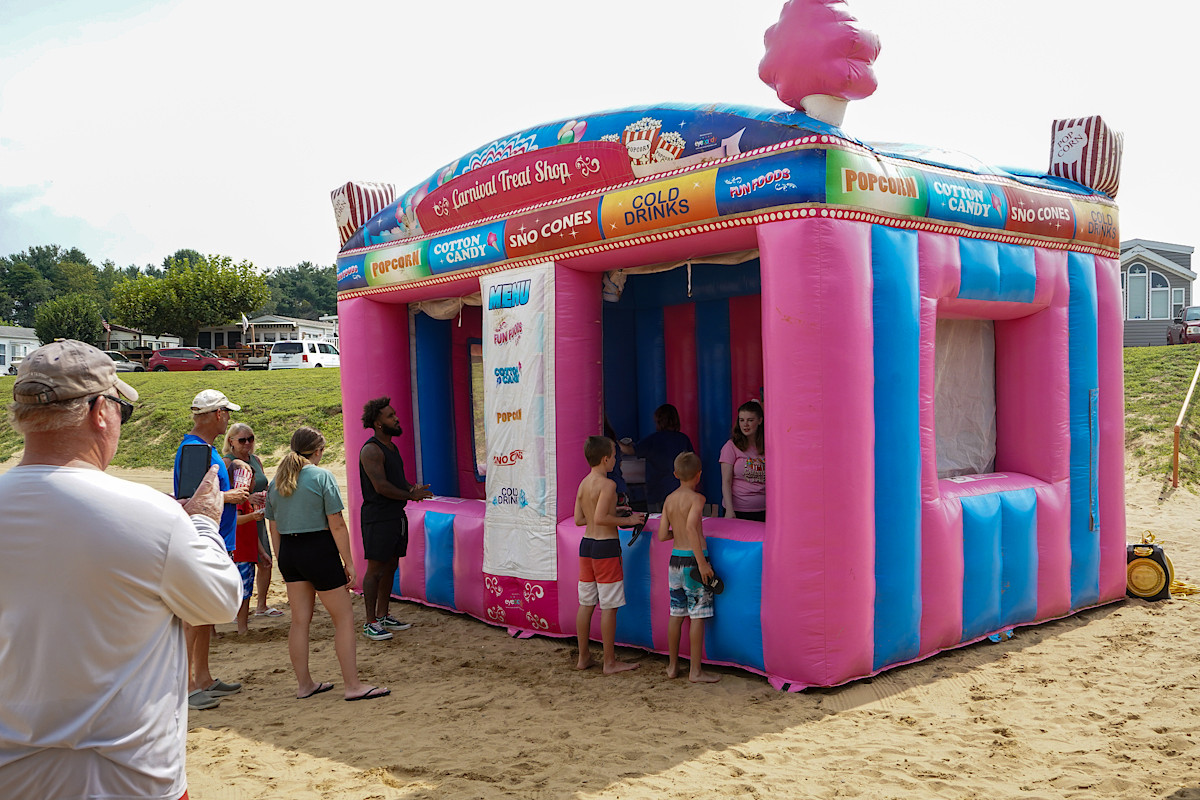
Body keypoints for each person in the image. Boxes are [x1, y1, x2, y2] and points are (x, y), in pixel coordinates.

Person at [0, 339, 240, 800]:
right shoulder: (150, 516)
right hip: (130, 778)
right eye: (121, 412)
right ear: (99, 412)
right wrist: (205, 524)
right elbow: (221, 601)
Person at [266, 426, 390, 701]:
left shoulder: (277, 481)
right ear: (318, 450)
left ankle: (304, 685)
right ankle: (352, 685)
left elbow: (273, 527)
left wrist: (282, 560)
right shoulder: (322, 476)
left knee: (299, 622)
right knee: (343, 618)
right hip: (318, 549)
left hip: (289, 552)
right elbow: (337, 525)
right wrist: (349, 562)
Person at [174, 389, 249, 710]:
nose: (229, 418)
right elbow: (191, 502)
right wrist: (231, 497)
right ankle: (189, 685)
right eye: (227, 413)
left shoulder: (199, 448)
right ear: (217, 414)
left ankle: (202, 678)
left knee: (202, 612)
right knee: (194, 614)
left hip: (215, 537)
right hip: (205, 538)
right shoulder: (194, 449)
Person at [359, 397, 433, 641]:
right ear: (378, 423)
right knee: (375, 569)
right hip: (378, 517)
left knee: (391, 565)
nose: (396, 418)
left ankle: (382, 616)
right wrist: (410, 495)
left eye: (394, 414)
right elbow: (381, 487)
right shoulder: (371, 449)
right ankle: (370, 622)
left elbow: (397, 483)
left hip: (394, 516)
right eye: (390, 416)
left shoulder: (392, 447)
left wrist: (412, 489)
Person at [574, 435, 646, 674]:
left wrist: (611, 511)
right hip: (606, 547)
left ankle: (584, 657)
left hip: (587, 545)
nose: (616, 459)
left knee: (586, 604)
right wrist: (630, 519)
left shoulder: (584, 483)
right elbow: (601, 518)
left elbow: (580, 519)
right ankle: (609, 662)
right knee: (608, 607)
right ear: (606, 459)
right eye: (615, 456)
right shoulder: (609, 485)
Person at [658, 451, 720, 683]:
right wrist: (702, 563)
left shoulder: (669, 500)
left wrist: (680, 532)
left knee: (676, 614)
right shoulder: (698, 499)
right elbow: (693, 529)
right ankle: (695, 671)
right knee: (697, 616)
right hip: (694, 562)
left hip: (674, 561)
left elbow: (664, 534)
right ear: (699, 475)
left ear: (675, 474)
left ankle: (673, 666)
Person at [224, 422, 281, 634]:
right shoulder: (228, 462)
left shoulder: (255, 460)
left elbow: (261, 484)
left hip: (257, 515)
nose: (247, 443)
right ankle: (238, 616)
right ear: (231, 442)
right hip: (240, 517)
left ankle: (261, 605)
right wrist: (249, 497)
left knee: (264, 560)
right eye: (242, 440)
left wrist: (264, 495)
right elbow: (228, 492)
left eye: (251, 438)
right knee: (241, 566)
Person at [618, 403, 693, 513]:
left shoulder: (654, 440)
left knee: (659, 524)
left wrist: (614, 442)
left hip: (658, 492)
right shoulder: (683, 439)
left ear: (659, 421)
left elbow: (631, 450)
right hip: (681, 491)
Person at [720, 399, 766, 521]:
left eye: (750, 420)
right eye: (742, 420)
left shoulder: (768, 446)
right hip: (738, 511)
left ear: (760, 421)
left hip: (764, 510)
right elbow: (726, 481)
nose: (745, 424)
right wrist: (730, 510)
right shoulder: (731, 446)